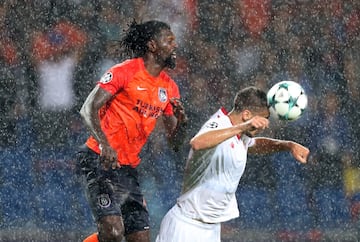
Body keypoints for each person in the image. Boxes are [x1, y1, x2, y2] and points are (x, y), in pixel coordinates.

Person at [77, 20, 187, 242]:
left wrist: (182, 124)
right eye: (169, 40)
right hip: (100, 160)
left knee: (140, 238)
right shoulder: (125, 72)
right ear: (152, 46)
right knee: (113, 232)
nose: (174, 46)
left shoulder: (169, 88)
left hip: (127, 168)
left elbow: (175, 145)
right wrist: (104, 144)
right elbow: (87, 109)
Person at [156, 86, 309, 242]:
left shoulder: (240, 134)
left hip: (211, 229)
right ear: (246, 115)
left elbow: (254, 144)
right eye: (262, 119)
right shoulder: (219, 124)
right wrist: (243, 127)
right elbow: (197, 142)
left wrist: (287, 145)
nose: (264, 126)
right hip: (185, 227)